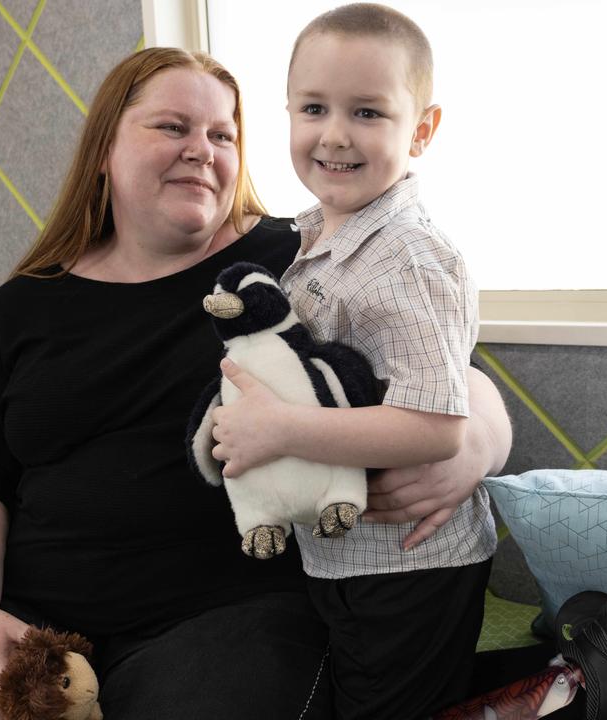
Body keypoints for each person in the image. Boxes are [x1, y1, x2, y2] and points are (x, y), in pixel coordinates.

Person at [0, 46, 511, 720]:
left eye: (222, 135)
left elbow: (451, 376)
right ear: (104, 148)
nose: (201, 149)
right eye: (173, 127)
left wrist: (478, 445)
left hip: (231, 614)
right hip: (35, 614)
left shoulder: (296, 258)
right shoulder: (22, 309)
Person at [206, 5, 495, 719]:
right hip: (342, 553)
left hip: (409, 561)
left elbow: (436, 429)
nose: (334, 134)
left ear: (421, 130)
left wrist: (280, 432)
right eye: (314, 108)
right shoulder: (310, 235)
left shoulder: (409, 257)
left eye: (367, 112)